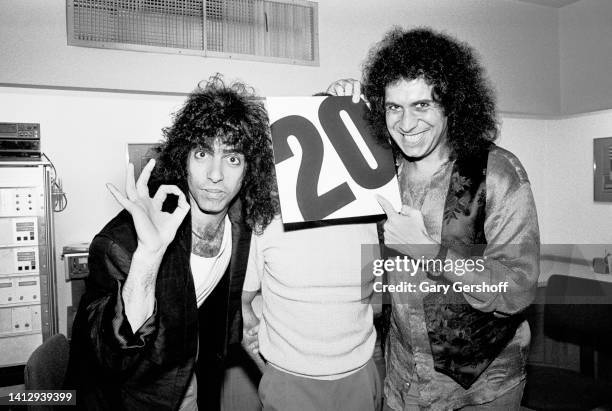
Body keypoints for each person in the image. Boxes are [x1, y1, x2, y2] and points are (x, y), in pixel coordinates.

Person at [328, 27, 540, 410]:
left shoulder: (498, 172)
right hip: (403, 380)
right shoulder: (381, 170)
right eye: (394, 107)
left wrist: (429, 251)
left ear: (451, 105)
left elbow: (518, 290)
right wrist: (339, 107)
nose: (406, 123)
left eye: (422, 105)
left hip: (482, 389)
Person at [65, 75, 278, 410]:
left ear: (249, 170)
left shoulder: (242, 223)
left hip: (185, 379)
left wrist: (339, 100)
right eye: (202, 153)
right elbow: (108, 353)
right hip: (124, 396)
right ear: (183, 159)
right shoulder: (122, 241)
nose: (216, 174)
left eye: (233, 158)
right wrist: (149, 255)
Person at [241, 216, 384, 411]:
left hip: (358, 375)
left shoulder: (367, 216)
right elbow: (240, 305)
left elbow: (377, 302)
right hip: (290, 383)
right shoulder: (266, 220)